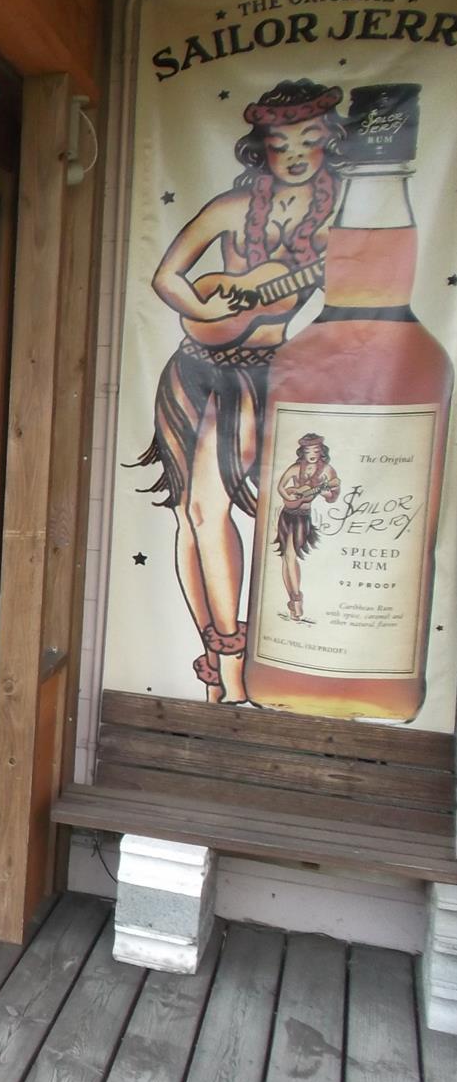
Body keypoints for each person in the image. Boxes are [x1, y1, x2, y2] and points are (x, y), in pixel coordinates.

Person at [133, 78, 346, 702]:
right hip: (192, 365)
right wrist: (205, 303)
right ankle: (213, 658)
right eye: (282, 143)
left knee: (209, 508)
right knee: (185, 513)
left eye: (309, 139)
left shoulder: (340, 217)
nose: (296, 154)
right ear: (263, 147)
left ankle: (231, 660)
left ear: (329, 140)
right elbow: (167, 276)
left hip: (257, 373)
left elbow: (358, 290)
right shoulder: (233, 207)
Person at [273, 432, 340, 621]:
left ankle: (296, 600)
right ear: (302, 452)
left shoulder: (327, 471)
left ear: (321, 451)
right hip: (287, 514)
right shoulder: (296, 468)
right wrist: (288, 495)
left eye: (316, 450)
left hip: (303, 518)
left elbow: (333, 495)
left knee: (290, 557)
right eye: (308, 451)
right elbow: (281, 486)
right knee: (287, 558)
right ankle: (294, 600)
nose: (312, 454)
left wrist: (325, 493)